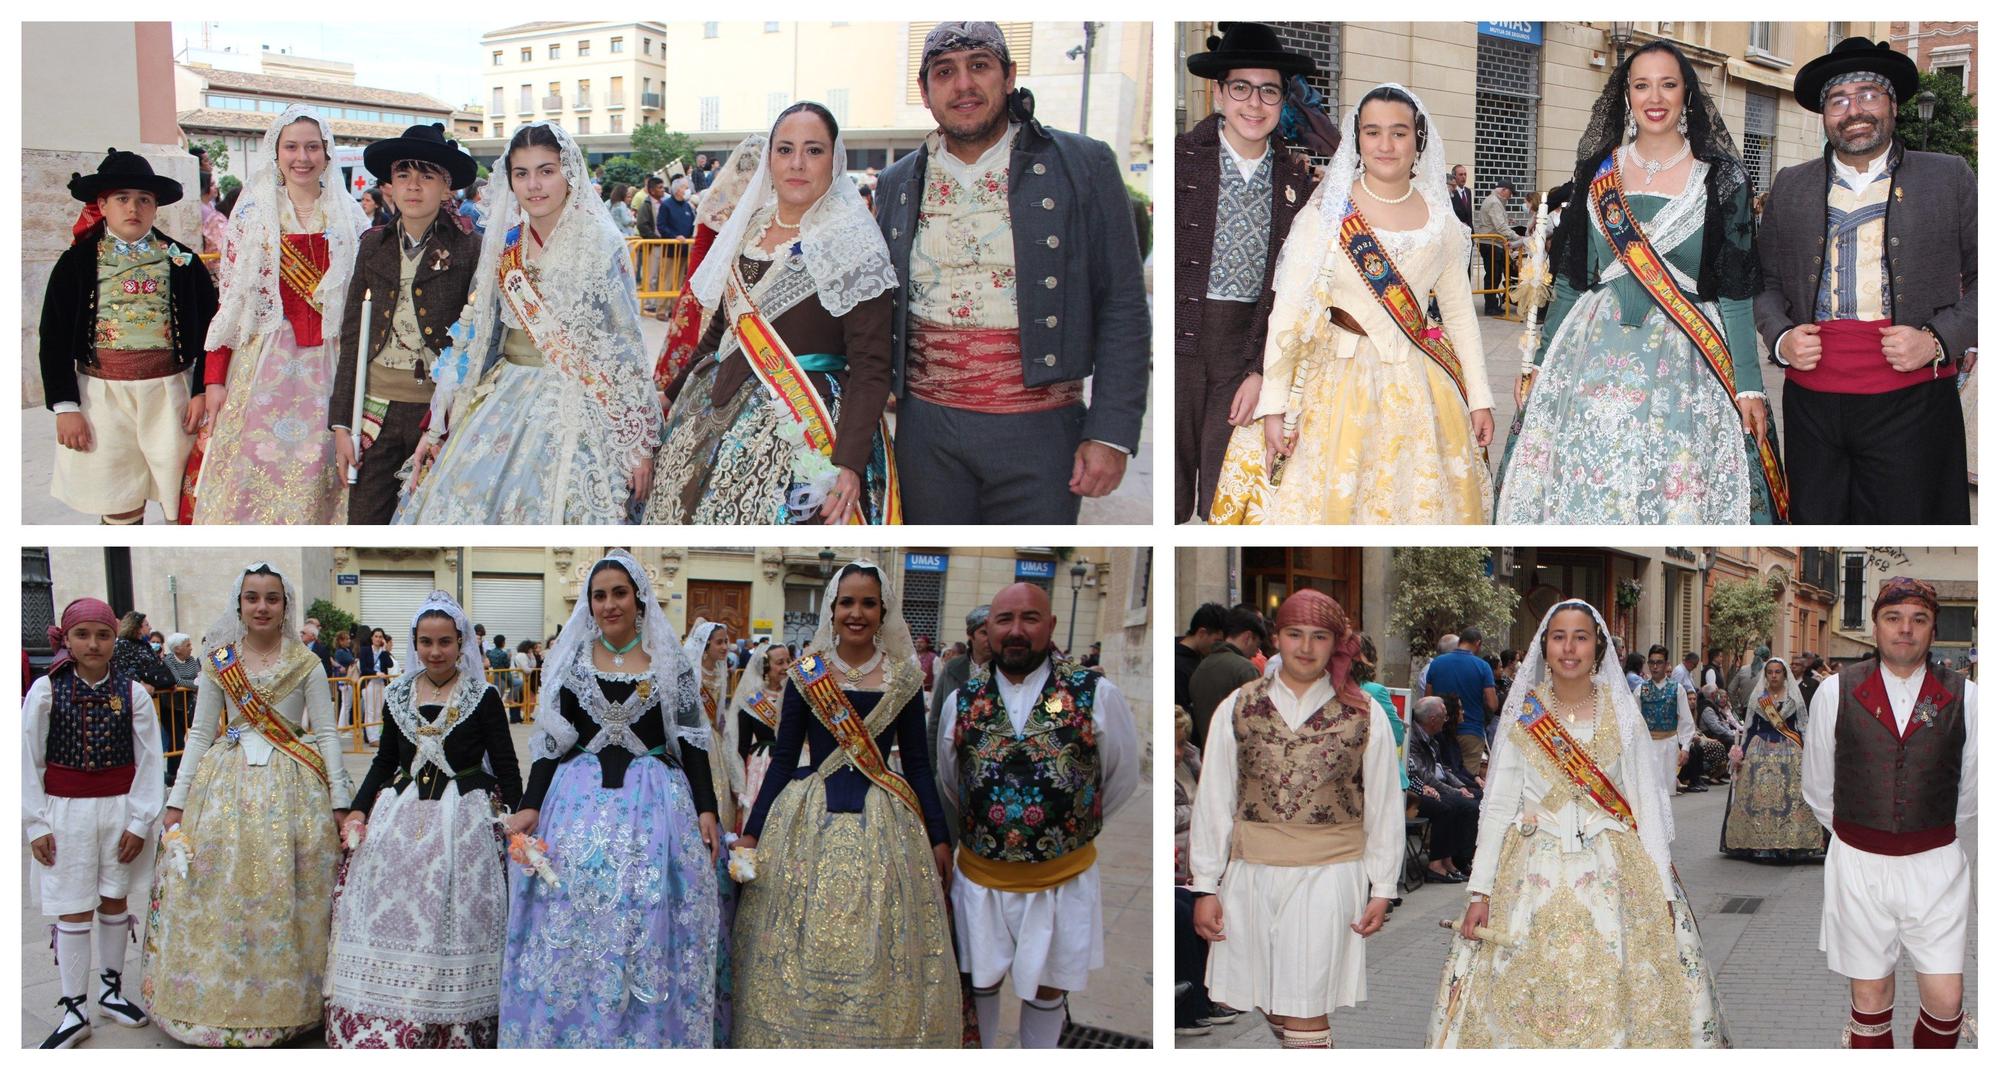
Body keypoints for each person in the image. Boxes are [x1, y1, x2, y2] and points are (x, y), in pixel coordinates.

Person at [1497, 41, 1784, 525]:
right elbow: (1570, 281)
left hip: (1688, 360)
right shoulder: (1597, 173)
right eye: (1642, 85)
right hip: (1589, 358)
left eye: (1668, 84)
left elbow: (1735, 292)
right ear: (1626, 95)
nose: (1655, 97)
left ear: (1687, 94)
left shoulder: (1722, 180)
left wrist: (1749, 387)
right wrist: (1541, 363)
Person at [876, 22, 1149, 523]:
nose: (963, 85)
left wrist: (1109, 432)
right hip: (926, 434)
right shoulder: (896, 182)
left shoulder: (1082, 164)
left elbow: (1122, 303)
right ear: (924, 91)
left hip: (1041, 431)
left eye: (979, 66)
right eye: (945, 72)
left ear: (1008, 77)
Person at [1428, 600, 1728, 1047]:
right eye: (1559, 637)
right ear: (1544, 646)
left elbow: (1645, 803)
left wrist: (1663, 890)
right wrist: (1481, 891)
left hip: (1615, 874)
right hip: (1530, 875)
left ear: (1598, 648)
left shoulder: (1622, 713)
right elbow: (1497, 807)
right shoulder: (1523, 714)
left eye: (1580, 637)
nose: (1569, 648)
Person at [1215, 83, 1495, 525]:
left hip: (1419, 385)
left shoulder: (1442, 222)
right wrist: (1273, 407)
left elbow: (1460, 316)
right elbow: (1286, 312)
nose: (1385, 145)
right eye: (1372, 132)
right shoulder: (1327, 214)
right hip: (1336, 380)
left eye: (1399, 133)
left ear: (1417, 141)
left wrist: (1479, 398)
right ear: (1357, 139)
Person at [498, 552, 719, 1046]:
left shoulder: (670, 664)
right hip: (577, 804)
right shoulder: (572, 662)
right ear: (589, 604)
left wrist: (707, 808)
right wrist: (532, 803)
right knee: (571, 910)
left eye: (619, 593)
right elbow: (552, 743)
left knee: (646, 910)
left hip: (654, 806)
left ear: (639, 598)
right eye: (599, 595)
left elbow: (692, 741)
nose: (609, 604)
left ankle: (640, 1034)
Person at [734, 561, 959, 1047]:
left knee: (878, 941)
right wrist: (752, 831)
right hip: (807, 819)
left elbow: (919, 767)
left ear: (884, 611)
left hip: (884, 821)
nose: (857, 613)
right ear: (832, 610)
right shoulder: (805, 674)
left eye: (868, 603)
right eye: (847, 603)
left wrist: (939, 836)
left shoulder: (903, 677)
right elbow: (782, 760)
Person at [1755, 37, 1975, 524]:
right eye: (1839, 100)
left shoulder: (1949, 177)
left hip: (1913, 401)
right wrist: (1782, 337)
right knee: (1815, 524)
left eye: (1869, 94)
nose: (1854, 110)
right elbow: (1766, 281)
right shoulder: (1791, 184)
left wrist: (1938, 341)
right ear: (1825, 115)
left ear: (1893, 105)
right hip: (1813, 404)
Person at [396, 121, 659, 525]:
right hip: (507, 392)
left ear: (567, 173)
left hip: (578, 401)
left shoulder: (601, 243)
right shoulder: (507, 246)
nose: (534, 185)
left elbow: (625, 345)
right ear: (510, 180)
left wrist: (635, 441)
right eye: (522, 174)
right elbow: (480, 338)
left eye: (546, 171)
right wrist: (440, 423)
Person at [649, 103, 899, 525]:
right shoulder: (750, 226)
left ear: (835, 160)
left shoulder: (854, 241)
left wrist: (850, 462)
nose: (797, 163)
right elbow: (720, 333)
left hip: (808, 425)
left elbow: (871, 364)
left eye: (813, 150)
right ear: (770, 158)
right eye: (785, 149)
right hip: (714, 412)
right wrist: (670, 394)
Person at [142, 563, 353, 1046]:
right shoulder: (219, 661)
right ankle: (214, 1000)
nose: (262, 606)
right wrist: (177, 800)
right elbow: (200, 732)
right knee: (220, 887)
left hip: (294, 784)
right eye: (253, 597)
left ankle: (290, 1003)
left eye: (272, 598)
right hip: (225, 780)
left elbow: (323, 732)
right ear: (239, 604)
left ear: (285, 606)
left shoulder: (308, 663)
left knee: (290, 890)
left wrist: (340, 798)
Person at [1189, 589, 1400, 1049]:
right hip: (1252, 871)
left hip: (1330, 873)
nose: (1305, 647)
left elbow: (1384, 802)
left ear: (1335, 642)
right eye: (1294, 634)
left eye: (1319, 636)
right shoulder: (1239, 706)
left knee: (1306, 1000)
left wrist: (1383, 886)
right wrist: (1205, 884)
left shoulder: (1364, 713)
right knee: (1269, 994)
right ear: (1276, 637)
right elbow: (1216, 797)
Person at [934, 582, 1139, 1048]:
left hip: (1061, 880)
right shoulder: (960, 700)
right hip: (981, 881)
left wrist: (1070, 819)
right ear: (987, 630)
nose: (1016, 631)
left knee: (1049, 988)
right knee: (980, 983)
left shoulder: (1095, 693)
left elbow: (1120, 776)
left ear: (1049, 625)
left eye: (1029, 618)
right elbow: (953, 780)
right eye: (1005, 620)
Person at [327, 592, 522, 1046]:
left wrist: (518, 816)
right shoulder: (398, 693)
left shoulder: (483, 695)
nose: (435, 652)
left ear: (461, 644)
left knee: (452, 912)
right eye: (426, 642)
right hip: (402, 811)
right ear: (414, 643)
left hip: (466, 816)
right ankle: (389, 1015)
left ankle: (450, 1021)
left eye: (445, 642)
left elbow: (507, 762)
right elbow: (385, 761)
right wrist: (359, 807)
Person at [1802, 577, 1976, 1048]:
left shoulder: (1969, 697)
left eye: (1918, 620)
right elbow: (1818, 785)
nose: (1906, 629)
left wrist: (1923, 824)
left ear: (1933, 630)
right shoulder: (1835, 691)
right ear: (1875, 628)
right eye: (1893, 618)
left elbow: (1972, 789)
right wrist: (1867, 828)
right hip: (1859, 863)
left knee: (1946, 999)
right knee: (1871, 995)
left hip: (1935, 865)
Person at [1175, 23, 1319, 524]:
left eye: (1269, 91)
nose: (1253, 104)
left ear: (1283, 101)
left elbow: (1294, 294)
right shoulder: (1180, 162)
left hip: (1245, 354)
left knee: (1226, 496)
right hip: (1180, 345)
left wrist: (1261, 370)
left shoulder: (1297, 183)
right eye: (1240, 87)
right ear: (1218, 92)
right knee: (1169, 493)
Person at [195, 107, 367, 524]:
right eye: (291, 146)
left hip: (330, 362)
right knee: (255, 465)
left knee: (322, 466)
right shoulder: (253, 216)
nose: (302, 157)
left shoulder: (351, 218)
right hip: (264, 361)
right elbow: (232, 302)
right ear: (276, 152)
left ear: (327, 154)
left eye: (312, 147)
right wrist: (215, 378)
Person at [41, 150, 217, 524]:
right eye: (122, 198)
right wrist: (65, 406)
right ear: (102, 204)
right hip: (101, 397)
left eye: (144, 199)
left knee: (182, 499)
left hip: (171, 394)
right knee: (118, 496)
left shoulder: (182, 261)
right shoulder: (76, 263)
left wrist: (201, 389)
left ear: (156, 207)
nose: (133, 208)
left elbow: (211, 331)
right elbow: (53, 335)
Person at [25, 598, 163, 1048]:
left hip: (119, 809)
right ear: (66, 638)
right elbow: (27, 758)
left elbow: (148, 760)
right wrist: (35, 824)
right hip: (66, 811)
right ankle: (73, 1007)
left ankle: (110, 989)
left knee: (113, 900)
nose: (93, 643)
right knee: (73, 905)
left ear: (114, 640)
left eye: (103, 635)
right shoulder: (46, 690)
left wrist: (141, 822)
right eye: (82, 634)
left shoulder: (132, 692)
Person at [328, 124, 483, 525]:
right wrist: (342, 422)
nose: (413, 187)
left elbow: (481, 337)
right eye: (403, 176)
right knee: (364, 519)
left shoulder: (470, 248)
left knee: (431, 517)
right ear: (389, 188)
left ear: (447, 189)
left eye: (427, 176)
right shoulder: (372, 245)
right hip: (375, 408)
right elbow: (352, 334)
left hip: (436, 412)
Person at [654, 137, 764, 384]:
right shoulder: (725, 198)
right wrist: (695, 290)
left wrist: (691, 290)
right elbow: (703, 245)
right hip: (715, 286)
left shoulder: (728, 197)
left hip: (727, 285)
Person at [1720, 656, 1824, 863]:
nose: (1774, 676)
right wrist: (1742, 753)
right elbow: (1750, 728)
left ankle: (1789, 841)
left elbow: (1802, 728)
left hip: (1790, 750)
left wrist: (1809, 754)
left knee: (1790, 795)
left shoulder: (1793, 697)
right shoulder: (1759, 697)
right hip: (1760, 749)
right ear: (1765, 675)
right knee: (1757, 797)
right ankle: (1758, 843)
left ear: (1785, 675)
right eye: (1770, 672)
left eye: (1778, 672)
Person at [1406, 697, 1478, 884]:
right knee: (1455, 806)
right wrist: (1455, 792)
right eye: (1443, 717)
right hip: (1417, 790)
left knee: (1475, 799)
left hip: (1431, 786)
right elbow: (1423, 774)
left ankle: (1455, 859)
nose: (1446, 721)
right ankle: (1443, 862)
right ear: (1432, 719)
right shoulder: (1413, 739)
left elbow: (1443, 768)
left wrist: (1460, 787)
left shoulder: (1432, 740)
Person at [1634, 644, 1695, 827]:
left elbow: (1686, 721)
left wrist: (1685, 747)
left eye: (1659, 663)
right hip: (1647, 746)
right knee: (1647, 791)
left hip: (1669, 744)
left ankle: (1663, 830)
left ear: (1666, 664)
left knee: (1665, 793)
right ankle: (1649, 829)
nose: (1654, 667)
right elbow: (1634, 722)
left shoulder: (1677, 689)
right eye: (1651, 663)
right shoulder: (1640, 690)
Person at [1425, 627, 1500, 777]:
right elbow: (1493, 704)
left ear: (1460, 641)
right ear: (1478, 643)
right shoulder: (1482, 667)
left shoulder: (1437, 663)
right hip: (1471, 731)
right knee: (1468, 779)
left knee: (1442, 776)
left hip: (1440, 731)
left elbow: (1427, 699)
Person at [1188, 605, 1265, 748]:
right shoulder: (1245, 669)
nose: (1256, 653)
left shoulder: (1201, 667)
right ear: (1247, 637)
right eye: (1256, 646)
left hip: (1209, 756)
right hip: (1237, 759)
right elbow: (1259, 724)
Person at [730, 641, 791, 819]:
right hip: (761, 765)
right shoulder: (751, 701)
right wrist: (738, 781)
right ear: (765, 666)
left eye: (789, 661)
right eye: (780, 663)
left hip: (794, 759)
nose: (786, 667)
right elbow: (742, 744)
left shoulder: (795, 695)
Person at [1475, 181, 1517, 315]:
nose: (1510, 197)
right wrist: (1517, 238)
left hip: (1492, 242)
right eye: (1510, 193)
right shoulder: (1494, 202)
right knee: (1493, 275)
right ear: (1504, 190)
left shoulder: (1495, 201)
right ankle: (1490, 306)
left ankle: (1492, 304)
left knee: (1495, 274)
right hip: (1491, 243)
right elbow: (1500, 227)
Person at [1174, 603, 1226, 712]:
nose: (1219, 647)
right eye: (1217, 641)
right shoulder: (1177, 665)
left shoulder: (1202, 657)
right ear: (1202, 633)